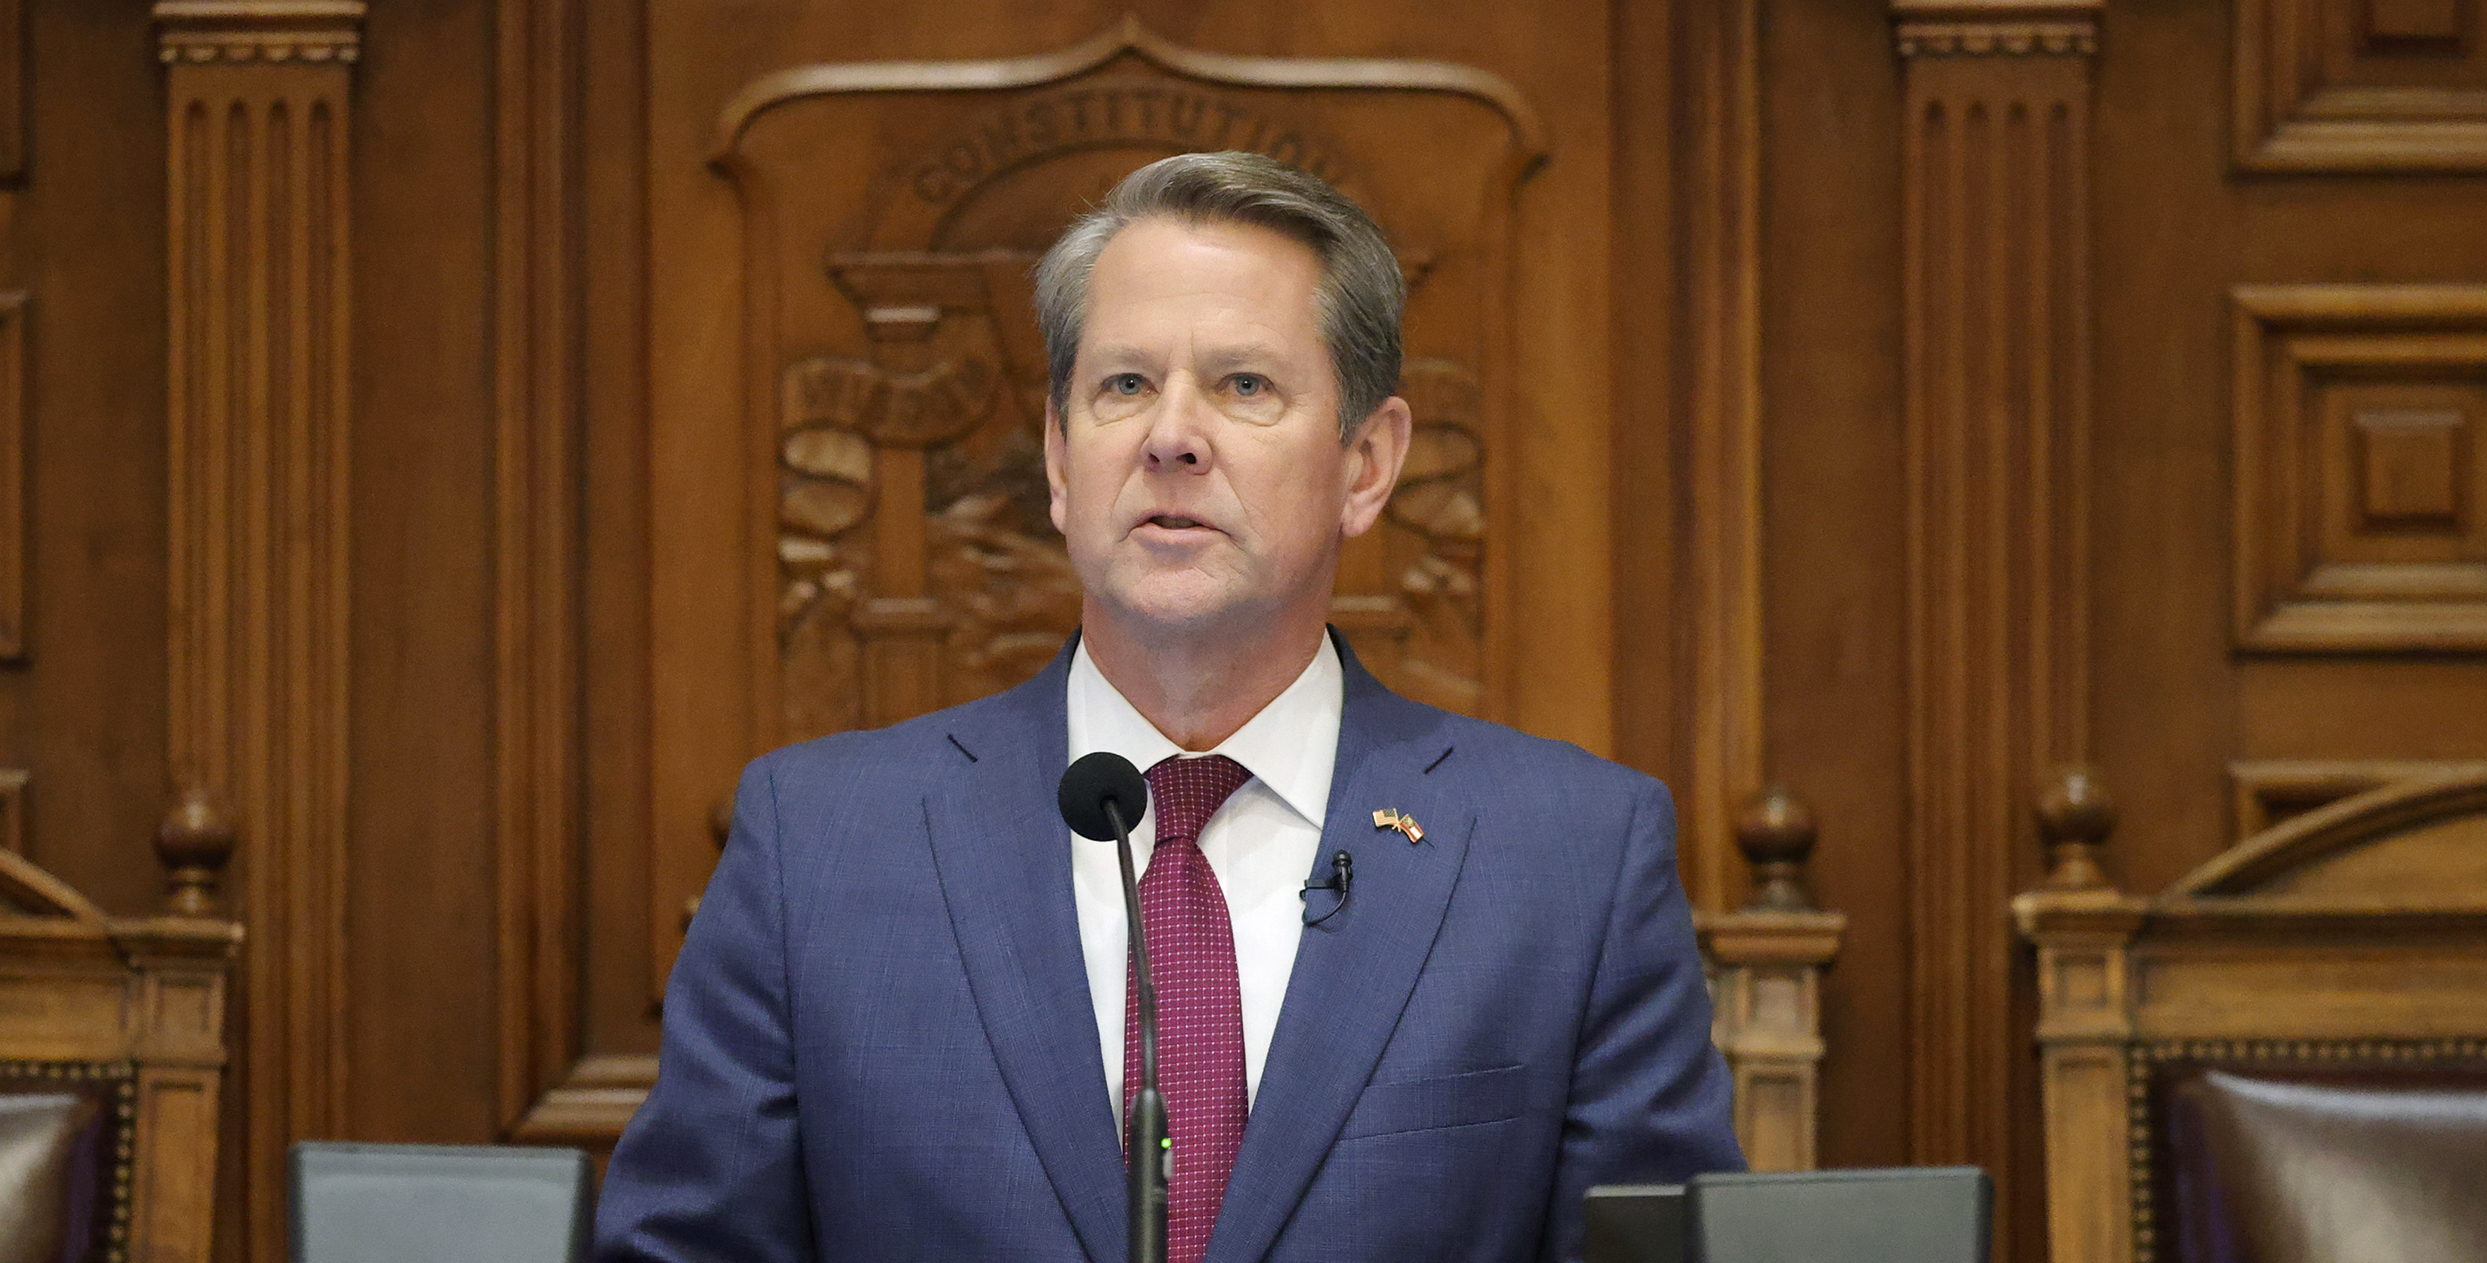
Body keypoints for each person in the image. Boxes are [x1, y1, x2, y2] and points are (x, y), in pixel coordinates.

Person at [595, 151, 1743, 1263]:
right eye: (1124, 385)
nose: (1171, 436)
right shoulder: (820, 843)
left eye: (1244, 385)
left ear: (1367, 465)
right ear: (1057, 455)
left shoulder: (1572, 860)